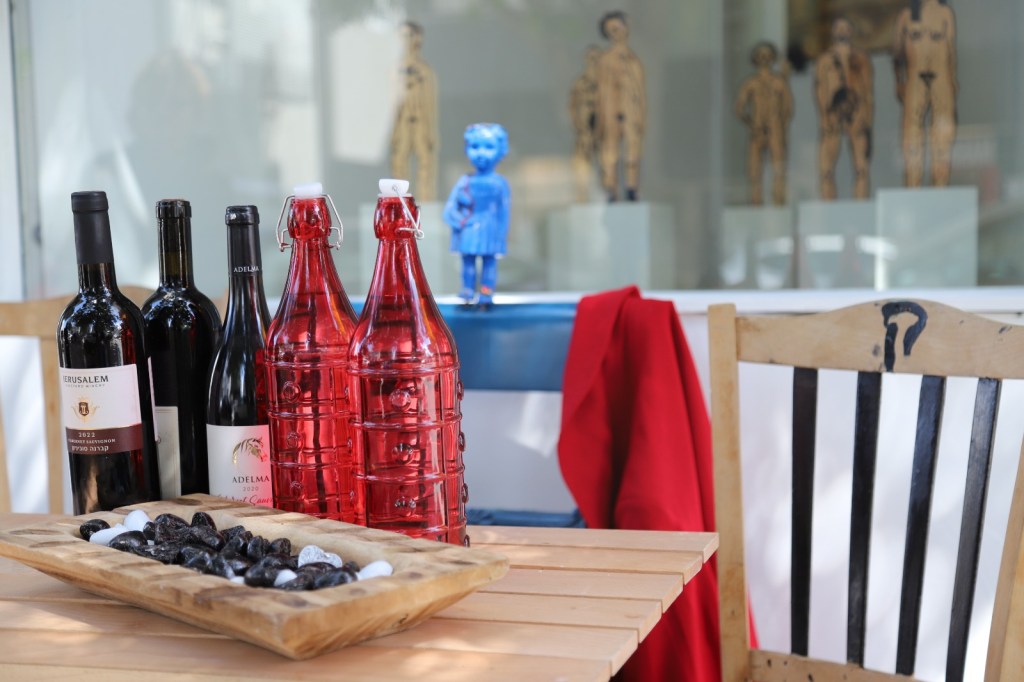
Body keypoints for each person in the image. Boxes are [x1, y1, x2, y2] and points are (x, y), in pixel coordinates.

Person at [443, 123, 510, 306]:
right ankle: (467, 289)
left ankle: (487, 291)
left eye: (488, 147)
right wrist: (459, 221)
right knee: (468, 262)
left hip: (490, 229)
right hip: (469, 228)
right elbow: (450, 207)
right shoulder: (465, 181)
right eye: (475, 146)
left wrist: (502, 238)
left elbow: (504, 213)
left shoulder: (500, 183)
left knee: (489, 262)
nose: (481, 153)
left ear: (501, 150)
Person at [893, 0, 958, 187]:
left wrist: (952, 80)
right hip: (916, 75)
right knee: (912, 134)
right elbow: (898, 53)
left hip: (940, 74)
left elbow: (951, 49)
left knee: (942, 132)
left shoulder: (945, 13)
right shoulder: (906, 16)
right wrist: (899, 81)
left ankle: (940, 186)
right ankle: (913, 186)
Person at [815, 17, 874, 200]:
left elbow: (868, 89)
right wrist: (824, 117)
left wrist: (867, 118)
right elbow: (820, 89)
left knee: (861, 167)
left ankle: (860, 206)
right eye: (838, 28)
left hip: (857, 112)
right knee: (826, 169)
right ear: (833, 32)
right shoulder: (824, 60)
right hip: (832, 112)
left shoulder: (861, 58)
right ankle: (828, 206)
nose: (842, 31)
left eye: (846, 28)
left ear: (851, 31)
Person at [595, 11, 646, 202]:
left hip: (631, 112)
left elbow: (639, 91)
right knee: (610, 152)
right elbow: (603, 92)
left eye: (618, 28)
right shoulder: (606, 60)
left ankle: (632, 187)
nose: (615, 33)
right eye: (611, 31)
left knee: (632, 151)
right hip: (611, 112)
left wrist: (640, 115)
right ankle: (611, 189)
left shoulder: (634, 60)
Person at [734, 41, 793, 206]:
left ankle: (779, 203)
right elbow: (739, 108)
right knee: (754, 171)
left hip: (775, 129)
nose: (764, 58)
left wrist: (780, 126)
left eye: (768, 55)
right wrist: (751, 124)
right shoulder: (751, 83)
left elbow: (788, 107)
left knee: (778, 169)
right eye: (761, 55)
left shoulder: (779, 82)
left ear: (772, 58)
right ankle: (756, 204)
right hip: (757, 130)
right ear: (755, 59)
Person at [390, 21, 438, 200]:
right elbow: (391, 101)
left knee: (426, 161)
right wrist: (393, 130)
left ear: (418, 38)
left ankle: (426, 202)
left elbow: (430, 101)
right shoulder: (395, 70)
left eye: (410, 35)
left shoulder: (425, 70)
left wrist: (431, 130)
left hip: (420, 121)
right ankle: (399, 203)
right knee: (399, 162)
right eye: (403, 35)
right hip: (402, 121)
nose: (406, 40)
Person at [569, 46, 601, 202]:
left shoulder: (606, 84)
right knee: (582, 161)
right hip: (585, 127)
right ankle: (582, 194)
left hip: (602, 128)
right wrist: (578, 123)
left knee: (606, 160)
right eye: (591, 58)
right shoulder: (581, 83)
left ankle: (608, 192)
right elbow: (572, 105)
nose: (593, 62)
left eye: (596, 58)